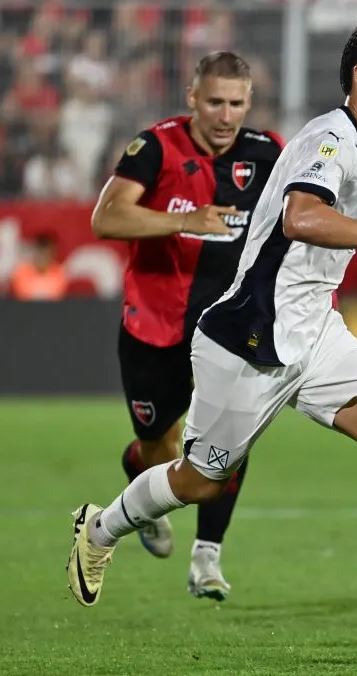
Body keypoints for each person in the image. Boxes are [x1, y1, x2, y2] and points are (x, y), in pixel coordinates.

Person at [68, 19, 357, 645]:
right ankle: (98, 529)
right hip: (250, 338)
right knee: (199, 480)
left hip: (316, 328)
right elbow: (300, 215)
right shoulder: (330, 137)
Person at [87, 51, 285, 600]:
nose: (226, 116)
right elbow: (105, 218)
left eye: (237, 104)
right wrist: (184, 221)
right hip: (154, 325)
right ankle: (141, 478)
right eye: (215, 102)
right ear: (193, 98)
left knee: (228, 441)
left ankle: (208, 558)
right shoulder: (155, 147)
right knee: (157, 445)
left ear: (249, 103)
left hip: (226, 327)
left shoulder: (267, 152)